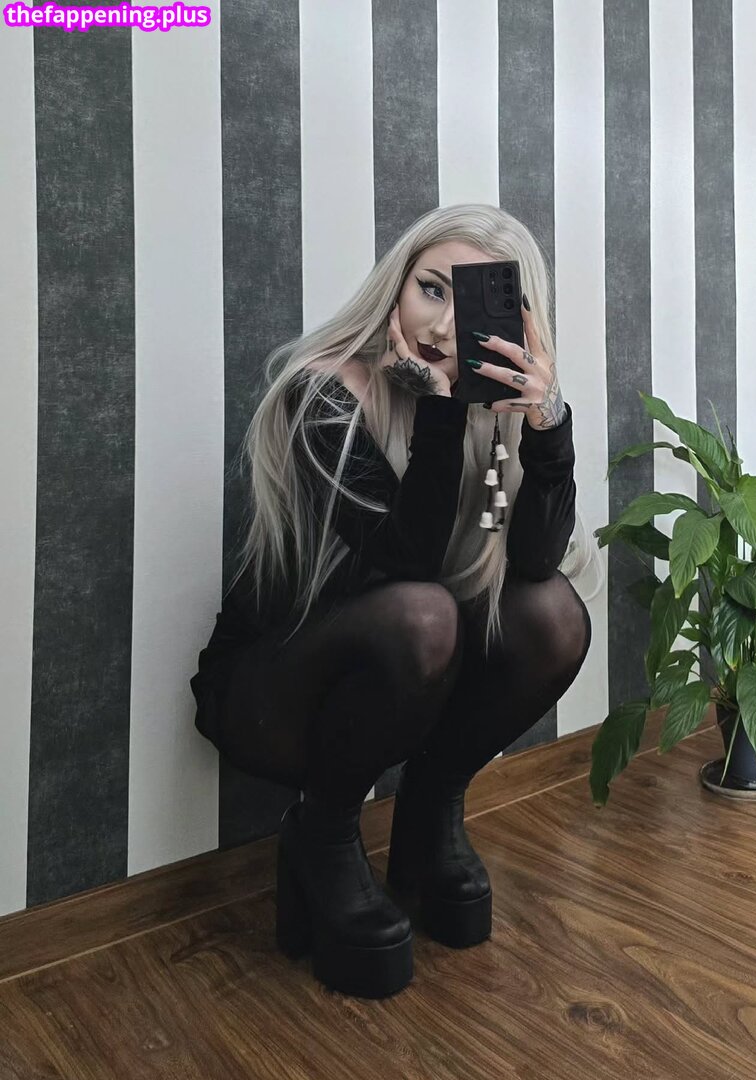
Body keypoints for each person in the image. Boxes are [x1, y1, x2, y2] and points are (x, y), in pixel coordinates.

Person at [189, 203, 597, 999]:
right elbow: (403, 563)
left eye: (469, 305)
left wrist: (545, 424)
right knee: (423, 611)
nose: (442, 325)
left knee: (550, 615)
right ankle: (322, 833)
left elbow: (534, 561)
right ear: (397, 283)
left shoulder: (491, 418)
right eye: (430, 289)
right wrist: (440, 410)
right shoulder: (324, 395)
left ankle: (430, 808)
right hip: (273, 688)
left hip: (411, 684)